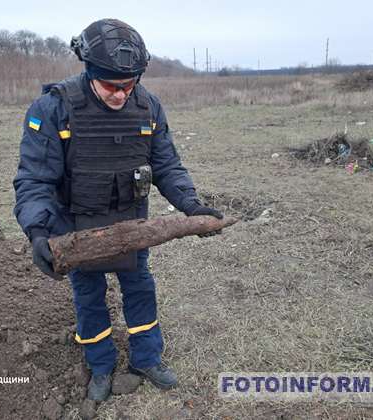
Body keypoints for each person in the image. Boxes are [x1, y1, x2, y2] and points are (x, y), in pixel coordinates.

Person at [12, 18, 222, 402]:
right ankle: (101, 366)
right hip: (75, 228)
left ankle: (146, 359)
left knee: (140, 287)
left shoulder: (149, 106)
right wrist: (39, 232)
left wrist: (191, 205)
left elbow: (167, 166)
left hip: (131, 223)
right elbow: (35, 180)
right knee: (88, 295)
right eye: (111, 85)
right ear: (89, 70)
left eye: (129, 84)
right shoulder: (53, 109)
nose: (121, 94)